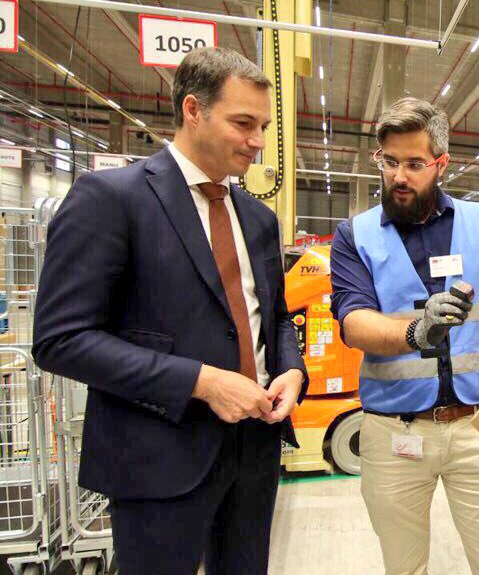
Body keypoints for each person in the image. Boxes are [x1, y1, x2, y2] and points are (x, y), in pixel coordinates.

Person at [32, 47, 307, 575]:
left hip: (254, 450)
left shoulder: (257, 219)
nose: (257, 141)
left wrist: (292, 370)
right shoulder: (112, 198)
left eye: (263, 127)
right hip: (158, 456)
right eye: (243, 123)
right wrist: (201, 381)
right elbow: (61, 339)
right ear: (193, 110)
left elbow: (274, 317)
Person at [330, 97, 479, 575]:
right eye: (389, 161)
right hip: (395, 432)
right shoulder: (355, 235)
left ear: (441, 163)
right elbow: (354, 321)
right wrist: (417, 331)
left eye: (414, 164)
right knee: (404, 567)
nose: (399, 176)